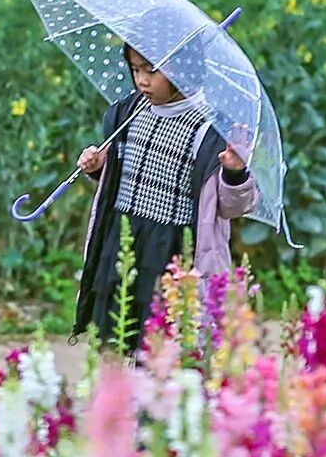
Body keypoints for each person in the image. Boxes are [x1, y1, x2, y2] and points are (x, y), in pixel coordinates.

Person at [73, 44, 256, 348]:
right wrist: (100, 166)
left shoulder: (211, 129)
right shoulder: (129, 113)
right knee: (113, 333)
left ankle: (155, 392)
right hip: (123, 237)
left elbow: (232, 206)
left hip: (172, 246)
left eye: (151, 70)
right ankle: (116, 393)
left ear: (182, 71)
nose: (141, 80)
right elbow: (123, 175)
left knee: (163, 337)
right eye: (135, 70)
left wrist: (235, 172)